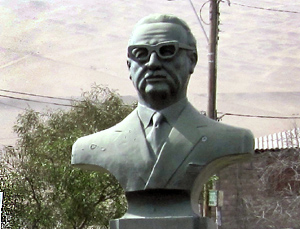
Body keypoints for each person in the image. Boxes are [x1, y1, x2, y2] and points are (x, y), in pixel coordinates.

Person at [71, 14, 254, 213]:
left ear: (191, 60)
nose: (152, 63)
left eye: (167, 51)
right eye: (140, 53)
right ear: (129, 66)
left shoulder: (231, 140)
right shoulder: (94, 147)